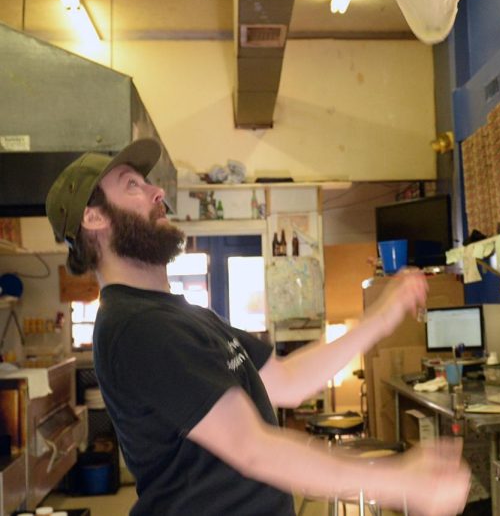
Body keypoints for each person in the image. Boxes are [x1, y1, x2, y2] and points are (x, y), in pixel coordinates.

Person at [45, 138, 470, 516]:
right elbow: (252, 448)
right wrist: (402, 483)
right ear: (93, 219)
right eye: (131, 186)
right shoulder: (135, 327)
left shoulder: (186, 315)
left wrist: (379, 319)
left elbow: (286, 380)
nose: (157, 191)